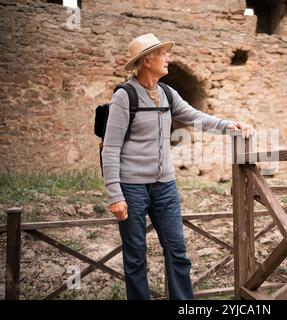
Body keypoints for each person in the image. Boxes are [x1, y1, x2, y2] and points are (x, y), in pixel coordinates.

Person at [102, 33, 254, 300]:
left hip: (165, 187)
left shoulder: (167, 93)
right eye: (163, 53)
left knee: (178, 251)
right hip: (132, 188)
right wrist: (115, 195)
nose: (168, 57)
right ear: (147, 59)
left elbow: (195, 117)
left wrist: (229, 126)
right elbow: (111, 147)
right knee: (136, 257)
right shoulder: (124, 97)